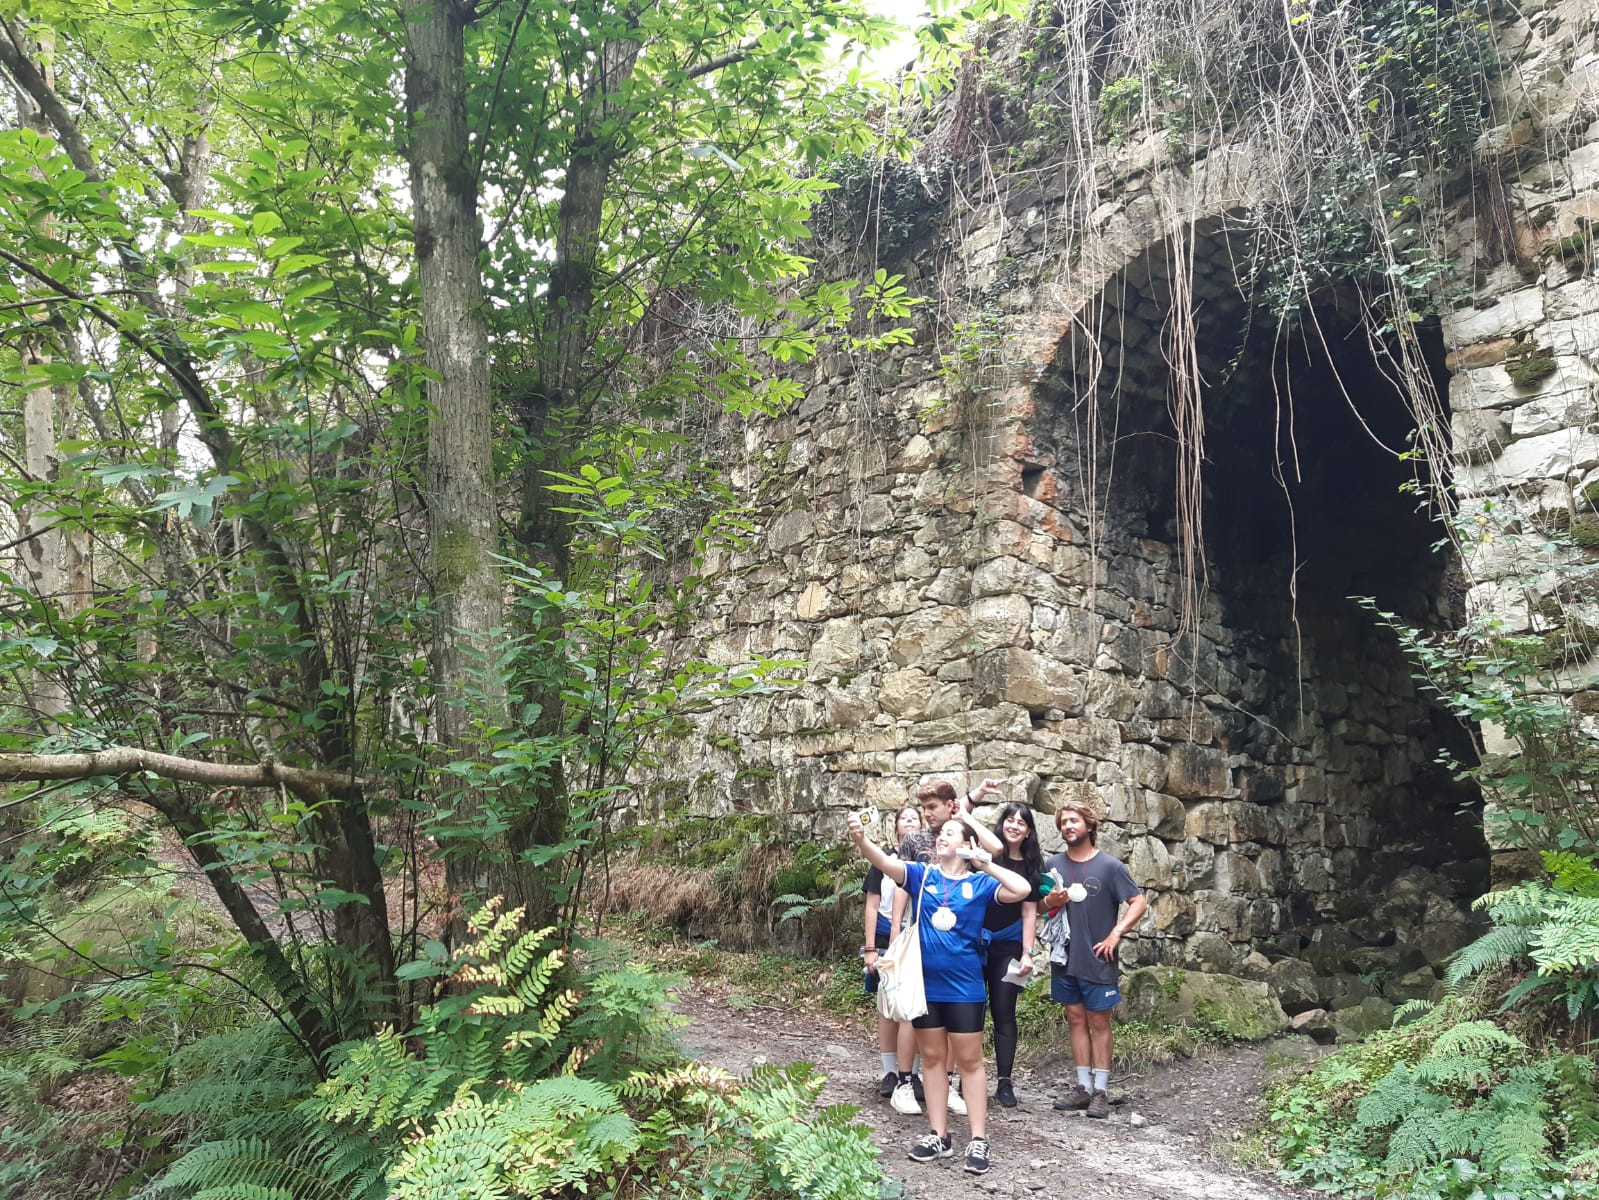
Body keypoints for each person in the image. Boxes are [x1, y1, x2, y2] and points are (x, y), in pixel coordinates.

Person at [847, 808, 1032, 1176]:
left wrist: (985, 863)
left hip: (965, 988)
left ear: (966, 844)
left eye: (951, 832)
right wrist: (861, 840)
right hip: (925, 986)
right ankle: (938, 1134)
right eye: (940, 833)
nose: (941, 837)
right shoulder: (922, 874)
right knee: (931, 1059)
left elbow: (1023, 890)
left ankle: (978, 1139)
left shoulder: (980, 885)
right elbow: (885, 863)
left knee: (969, 1062)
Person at [889, 777, 1004, 1117]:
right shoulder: (915, 840)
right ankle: (905, 1081)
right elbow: (902, 886)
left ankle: (947, 1084)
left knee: (956, 1026)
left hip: (958, 949)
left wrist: (967, 814)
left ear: (950, 806)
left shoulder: (959, 832)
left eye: (932, 808)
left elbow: (994, 850)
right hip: (921, 939)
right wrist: (897, 927)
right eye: (923, 808)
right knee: (914, 1014)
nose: (927, 815)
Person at [1041, 799, 1147, 1120]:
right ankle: (1082, 1087)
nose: (1067, 826)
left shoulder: (1111, 867)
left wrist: (1117, 933)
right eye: (1063, 822)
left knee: (1098, 1021)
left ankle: (1101, 1090)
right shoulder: (1052, 865)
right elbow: (1038, 907)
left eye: (1074, 820)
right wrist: (1050, 899)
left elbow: (1138, 902)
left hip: (1098, 956)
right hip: (1065, 956)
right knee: (1074, 1018)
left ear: (1089, 826)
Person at [982, 803, 1042, 1108]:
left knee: (1004, 1011)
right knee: (971, 1010)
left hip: (1009, 945)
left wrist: (1027, 953)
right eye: (1010, 819)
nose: (1014, 825)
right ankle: (964, 1077)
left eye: (1021, 822)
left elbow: (1030, 912)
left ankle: (1004, 1082)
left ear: (1029, 830)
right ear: (1001, 823)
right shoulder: (987, 854)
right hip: (976, 942)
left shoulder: (1032, 865)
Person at [863, 806, 922, 1106]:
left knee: (917, 1008)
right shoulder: (884, 861)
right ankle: (890, 1073)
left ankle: (914, 1074)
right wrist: (870, 948)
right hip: (889, 937)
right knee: (889, 1006)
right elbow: (872, 906)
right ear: (896, 826)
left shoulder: (930, 858)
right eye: (904, 818)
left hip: (921, 937)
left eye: (915, 818)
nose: (909, 822)